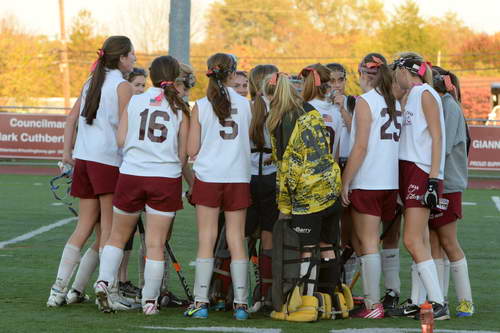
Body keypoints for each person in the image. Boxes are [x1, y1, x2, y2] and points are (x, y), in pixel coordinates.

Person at [94, 55, 189, 315]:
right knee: (156, 244)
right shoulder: (181, 106)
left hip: (132, 174)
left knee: (116, 235)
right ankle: (150, 301)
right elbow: (185, 154)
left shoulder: (136, 100)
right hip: (165, 177)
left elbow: (122, 139)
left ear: (151, 76)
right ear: (175, 76)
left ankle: (103, 281)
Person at [47, 35, 135, 307]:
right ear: (120, 57)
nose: (134, 59)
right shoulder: (122, 86)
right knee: (109, 231)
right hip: (108, 162)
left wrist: (67, 156)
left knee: (83, 227)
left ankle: (58, 291)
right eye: (131, 55)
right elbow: (126, 129)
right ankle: (108, 293)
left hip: (84, 160)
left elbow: (71, 120)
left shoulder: (91, 81)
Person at [184, 53, 252, 320]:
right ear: (233, 74)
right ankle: (241, 305)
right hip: (237, 176)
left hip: (210, 177)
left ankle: (201, 302)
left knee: (206, 239)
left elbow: (191, 150)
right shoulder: (247, 105)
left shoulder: (200, 105)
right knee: (237, 239)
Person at [265, 71, 342, 303]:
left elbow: (290, 167)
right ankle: (330, 298)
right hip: (330, 186)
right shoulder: (310, 111)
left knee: (305, 248)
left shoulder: (283, 119)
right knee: (327, 246)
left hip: (307, 195)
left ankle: (307, 299)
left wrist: (284, 206)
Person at [340, 53, 401, 319]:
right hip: (390, 181)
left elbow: (361, 147)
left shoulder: (366, 101)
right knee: (374, 241)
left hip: (368, 180)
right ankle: (382, 297)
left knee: (366, 244)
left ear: (363, 72)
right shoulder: (395, 101)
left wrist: (345, 181)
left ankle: (373, 304)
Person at [388, 52, 448, 320]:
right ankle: (417, 299)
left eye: (396, 70)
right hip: (410, 168)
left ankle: (437, 302)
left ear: (405, 70)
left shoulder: (425, 93)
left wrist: (433, 179)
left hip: (421, 170)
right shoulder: (411, 94)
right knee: (420, 238)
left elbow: (437, 136)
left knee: (411, 239)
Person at [428, 67, 474, 317]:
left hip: (448, 184)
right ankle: (440, 300)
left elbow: (441, 146)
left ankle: (466, 301)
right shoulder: (441, 103)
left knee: (449, 243)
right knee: (434, 243)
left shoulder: (449, 106)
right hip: (436, 181)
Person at [247, 64, 280, 311]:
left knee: (240, 238)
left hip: (246, 178)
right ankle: (266, 294)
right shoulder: (279, 111)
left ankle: (229, 292)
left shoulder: (245, 109)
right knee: (268, 236)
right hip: (271, 178)